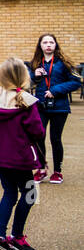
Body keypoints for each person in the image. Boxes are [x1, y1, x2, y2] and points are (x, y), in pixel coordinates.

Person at [0, 59, 46, 250]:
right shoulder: (26, 100)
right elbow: (38, 132)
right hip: (20, 156)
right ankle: (17, 236)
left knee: (9, 193)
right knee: (29, 194)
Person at [26, 34, 78, 184]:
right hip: (40, 107)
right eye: (45, 42)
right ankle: (41, 169)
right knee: (38, 137)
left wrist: (56, 90)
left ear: (55, 45)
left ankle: (57, 172)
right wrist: (34, 76)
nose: (48, 45)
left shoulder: (63, 63)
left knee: (55, 139)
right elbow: (27, 83)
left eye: (51, 42)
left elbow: (76, 82)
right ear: (40, 46)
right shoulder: (36, 63)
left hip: (59, 107)